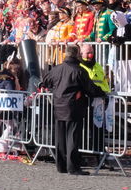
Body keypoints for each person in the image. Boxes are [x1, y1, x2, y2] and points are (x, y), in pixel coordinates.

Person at [40, 44, 106, 175]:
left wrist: (55, 89)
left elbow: (45, 82)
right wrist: (102, 93)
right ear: (77, 54)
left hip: (58, 105)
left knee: (60, 137)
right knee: (72, 138)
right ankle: (73, 167)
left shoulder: (56, 69)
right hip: (74, 106)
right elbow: (91, 89)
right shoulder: (79, 71)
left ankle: (61, 166)